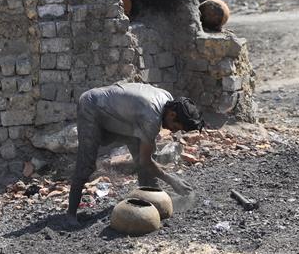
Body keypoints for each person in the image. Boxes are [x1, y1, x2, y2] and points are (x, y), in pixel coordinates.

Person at [67, 82, 202, 223]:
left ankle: (151, 195)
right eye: (175, 126)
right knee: (86, 164)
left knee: (141, 152)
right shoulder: (152, 117)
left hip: (121, 116)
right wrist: (172, 180)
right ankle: (70, 215)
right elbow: (146, 161)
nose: (173, 131)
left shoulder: (167, 98)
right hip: (92, 107)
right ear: (172, 114)